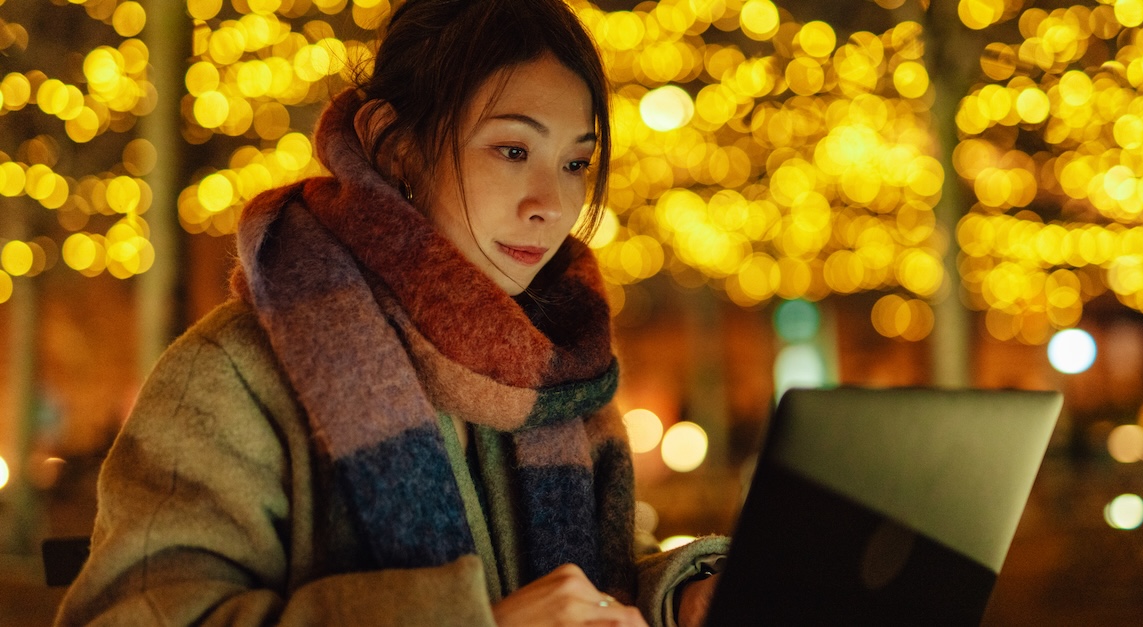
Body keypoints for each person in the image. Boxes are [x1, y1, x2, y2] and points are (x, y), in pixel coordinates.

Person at [55, 0, 727, 625]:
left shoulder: (558, 365)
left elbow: (594, 574)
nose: (551, 203)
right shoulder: (235, 372)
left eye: (576, 161)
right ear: (394, 142)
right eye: (513, 150)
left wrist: (684, 594)